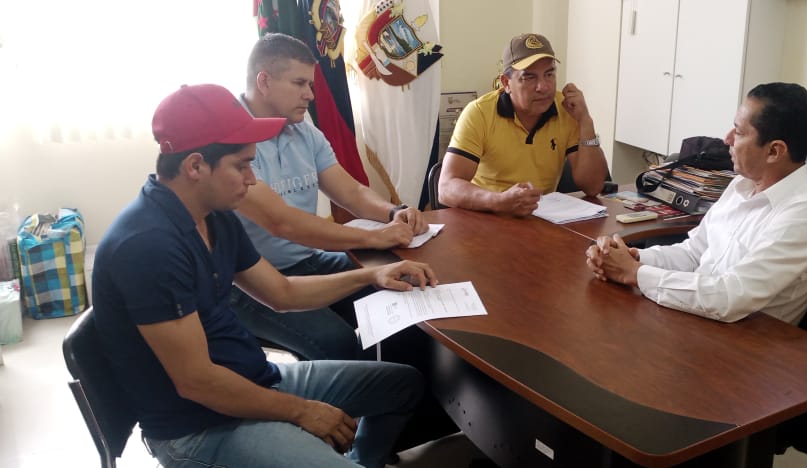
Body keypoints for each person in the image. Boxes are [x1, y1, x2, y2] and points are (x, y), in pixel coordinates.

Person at [92, 83, 435, 468]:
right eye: (242, 166)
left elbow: (282, 292)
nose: (252, 179)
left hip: (252, 380)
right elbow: (197, 382)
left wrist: (371, 276)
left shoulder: (215, 215)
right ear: (195, 167)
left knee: (403, 385)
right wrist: (301, 410)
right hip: (197, 428)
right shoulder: (147, 247)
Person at [230, 33, 429, 361]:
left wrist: (394, 212)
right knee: (339, 343)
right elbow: (282, 223)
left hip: (309, 261)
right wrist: (374, 237)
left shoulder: (304, 131)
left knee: (405, 289)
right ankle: (363, 391)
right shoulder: (230, 138)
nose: (310, 94)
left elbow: (350, 191)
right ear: (264, 81)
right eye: (299, 83)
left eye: (310, 84)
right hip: (251, 281)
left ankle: (408, 389)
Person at [586, 82, 807, 325]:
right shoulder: (741, 185)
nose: (727, 139)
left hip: (744, 344)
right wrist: (631, 257)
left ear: (774, 151)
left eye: (739, 132)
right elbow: (694, 253)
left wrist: (634, 273)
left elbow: (730, 297)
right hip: (696, 320)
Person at [438, 33, 609, 216]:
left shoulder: (566, 109)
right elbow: (446, 188)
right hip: (486, 216)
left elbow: (593, 187)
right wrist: (498, 201)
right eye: (529, 77)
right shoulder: (479, 113)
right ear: (506, 83)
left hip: (542, 219)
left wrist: (585, 121)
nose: (543, 87)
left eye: (549, 74)